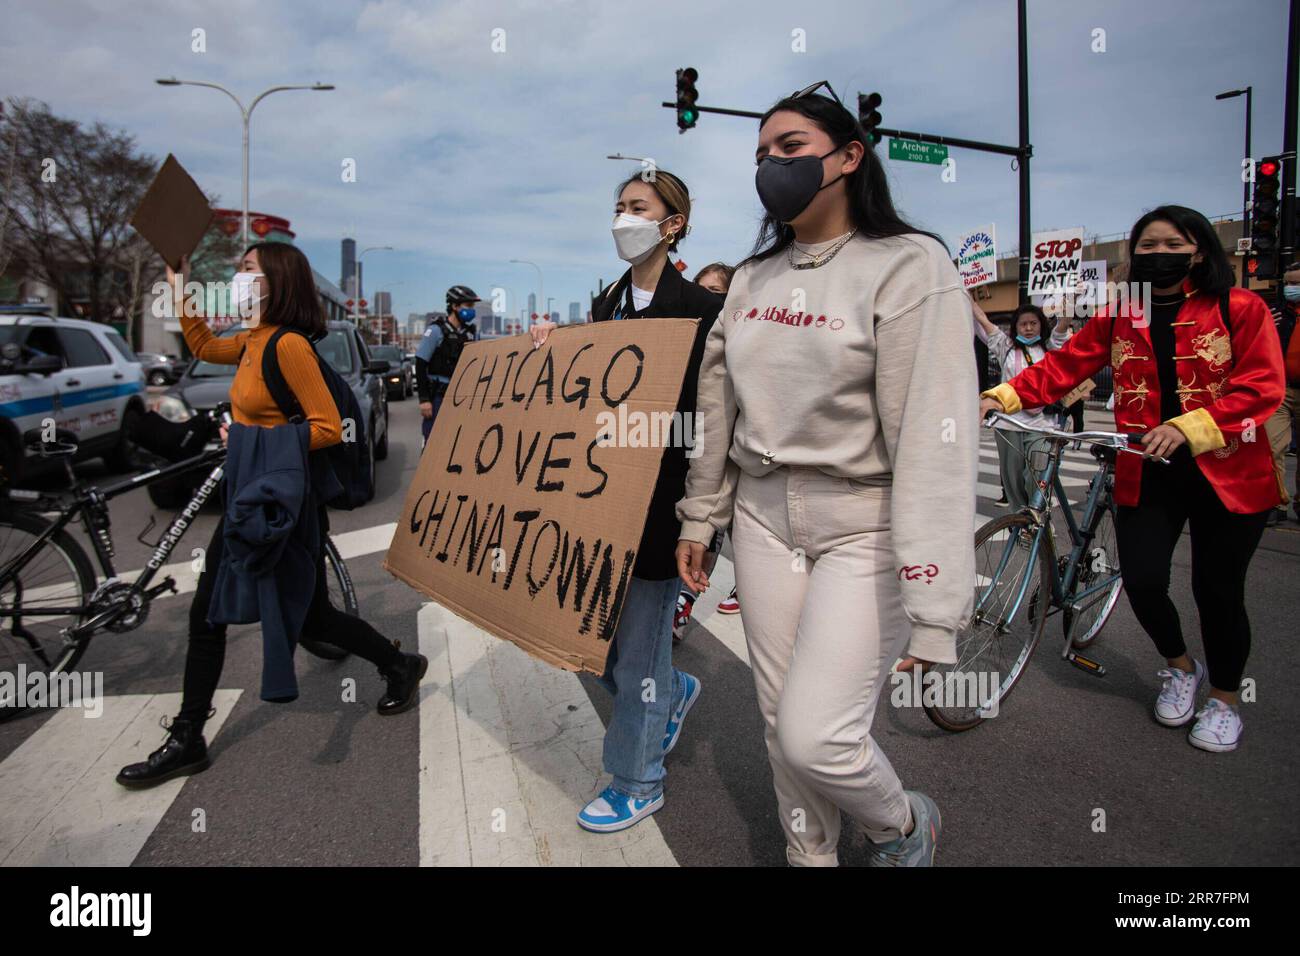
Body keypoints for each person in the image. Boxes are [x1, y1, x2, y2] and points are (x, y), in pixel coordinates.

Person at [676, 83, 977, 866]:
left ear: (849, 157)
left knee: (820, 737)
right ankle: (808, 859)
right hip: (764, 520)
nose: (770, 166)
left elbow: (934, 441)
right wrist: (699, 518)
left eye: (790, 148)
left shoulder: (910, 265)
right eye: (759, 154)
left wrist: (936, 609)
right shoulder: (750, 279)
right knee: (780, 723)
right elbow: (718, 410)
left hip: (865, 522)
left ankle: (903, 825)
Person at [117, 244, 427, 790]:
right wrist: (182, 284)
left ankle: (398, 664)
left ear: (276, 282)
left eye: (248, 270)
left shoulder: (288, 347)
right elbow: (202, 343)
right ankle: (189, 737)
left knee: (311, 620)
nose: (238, 278)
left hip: (284, 505)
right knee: (217, 613)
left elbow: (328, 428)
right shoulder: (252, 342)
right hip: (253, 496)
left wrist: (252, 439)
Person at [980, 205, 1285, 753]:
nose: (1160, 255)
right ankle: (1179, 667)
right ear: (1133, 254)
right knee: (1143, 580)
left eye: (1174, 244)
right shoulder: (1125, 311)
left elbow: (1262, 386)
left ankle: (1224, 699)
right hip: (1146, 470)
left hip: (1229, 472)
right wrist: (1001, 396)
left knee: (1217, 591)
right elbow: (1066, 364)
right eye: (1149, 246)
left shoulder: (1240, 306)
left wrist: (1189, 427)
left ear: (1199, 250)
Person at [530, 169, 722, 832]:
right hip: (601, 503)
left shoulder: (701, 310)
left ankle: (638, 779)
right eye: (617, 207)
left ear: (673, 225)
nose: (623, 219)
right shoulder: (606, 305)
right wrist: (549, 356)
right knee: (599, 640)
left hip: (662, 507)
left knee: (638, 648)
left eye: (638, 208)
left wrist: (701, 518)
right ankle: (671, 694)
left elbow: (709, 423)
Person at [674, 263, 739, 640]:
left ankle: (683, 602)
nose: (705, 300)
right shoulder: (680, 333)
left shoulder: (735, 344)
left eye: (715, 293)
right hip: (679, 442)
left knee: (710, 530)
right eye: (700, 290)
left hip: (720, 452)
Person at [971, 300, 1069, 511]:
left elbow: (1062, 328)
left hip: (1042, 425)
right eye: (1023, 324)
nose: (1028, 328)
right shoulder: (1004, 347)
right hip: (1009, 425)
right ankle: (1021, 522)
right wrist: (965, 294)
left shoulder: (1050, 348)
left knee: (1037, 477)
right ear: (1015, 327)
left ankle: (1038, 518)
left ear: (1041, 325)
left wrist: (1073, 301)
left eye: (1033, 323)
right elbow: (982, 319)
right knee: (1013, 482)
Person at [415, 286, 479, 446]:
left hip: (463, 396)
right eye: (468, 306)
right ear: (455, 306)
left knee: (460, 443)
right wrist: (424, 399)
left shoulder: (471, 333)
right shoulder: (436, 331)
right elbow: (421, 364)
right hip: (439, 396)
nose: (472, 310)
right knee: (434, 442)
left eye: (473, 307)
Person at [1265, 261, 1300, 525]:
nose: (1291, 288)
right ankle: (1275, 502)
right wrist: (1267, 327)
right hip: (1280, 389)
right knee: (1272, 446)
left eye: (1296, 283)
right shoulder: (1274, 313)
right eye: (1288, 283)